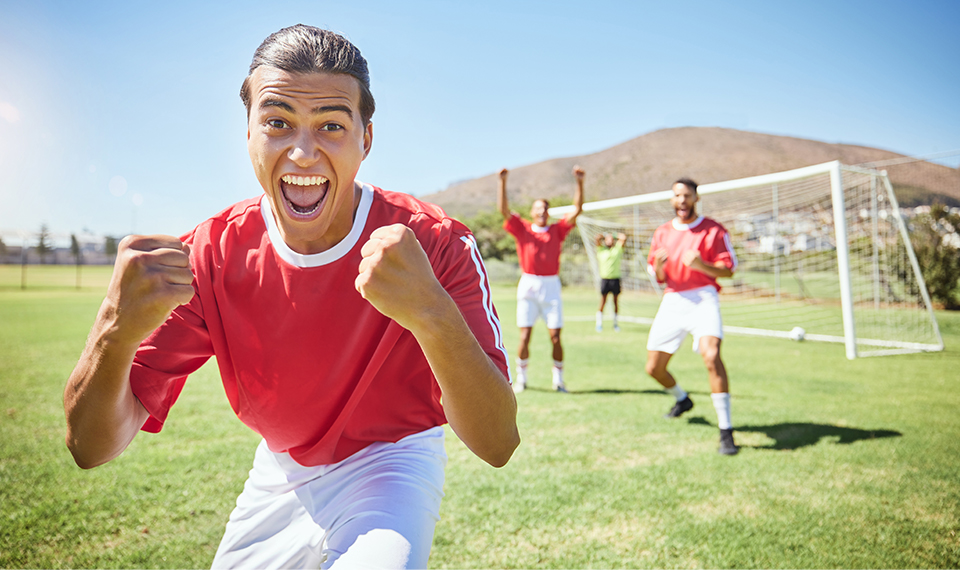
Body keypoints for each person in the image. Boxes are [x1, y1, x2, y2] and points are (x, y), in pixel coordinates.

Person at [63, 24, 519, 569]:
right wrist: (114, 329)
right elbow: (91, 447)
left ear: (365, 140)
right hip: (280, 470)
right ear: (249, 133)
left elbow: (498, 443)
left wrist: (429, 311)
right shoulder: (211, 253)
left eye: (331, 126)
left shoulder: (435, 242)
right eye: (278, 122)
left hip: (392, 464)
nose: (303, 152)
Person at [645, 178, 739, 455]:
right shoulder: (661, 232)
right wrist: (660, 268)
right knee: (654, 369)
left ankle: (726, 431)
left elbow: (728, 270)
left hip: (704, 297)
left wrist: (701, 265)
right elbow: (659, 277)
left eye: (687, 195)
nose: (682, 200)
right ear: (672, 200)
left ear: (696, 198)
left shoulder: (713, 230)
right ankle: (682, 400)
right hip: (673, 299)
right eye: (677, 195)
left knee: (711, 356)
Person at [497, 166, 584, 393]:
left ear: (549, 212)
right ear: (532, 212)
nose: (542, 212)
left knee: (555, 336)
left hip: (551, 285)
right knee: (525, 336)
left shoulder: (557, 230)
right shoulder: (523, 229)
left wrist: (580, 183)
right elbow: (504, 210)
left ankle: (559, 380)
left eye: (545, 208)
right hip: (529, 284)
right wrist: (503, 182)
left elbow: (577, 210)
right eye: (538, 209)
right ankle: (521, 379)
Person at [595, 232, 627, 332]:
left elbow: (623, 237)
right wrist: (604, 235)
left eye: (611, 240)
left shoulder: (617, 250)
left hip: (615, 279)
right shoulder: (601, 250)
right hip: (605, 279)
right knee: (603, 301)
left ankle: (615, 324)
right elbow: (597, 238)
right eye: (607, 240)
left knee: (615, 302)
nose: (609, 241)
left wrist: (612, 235)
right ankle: (599, 323)